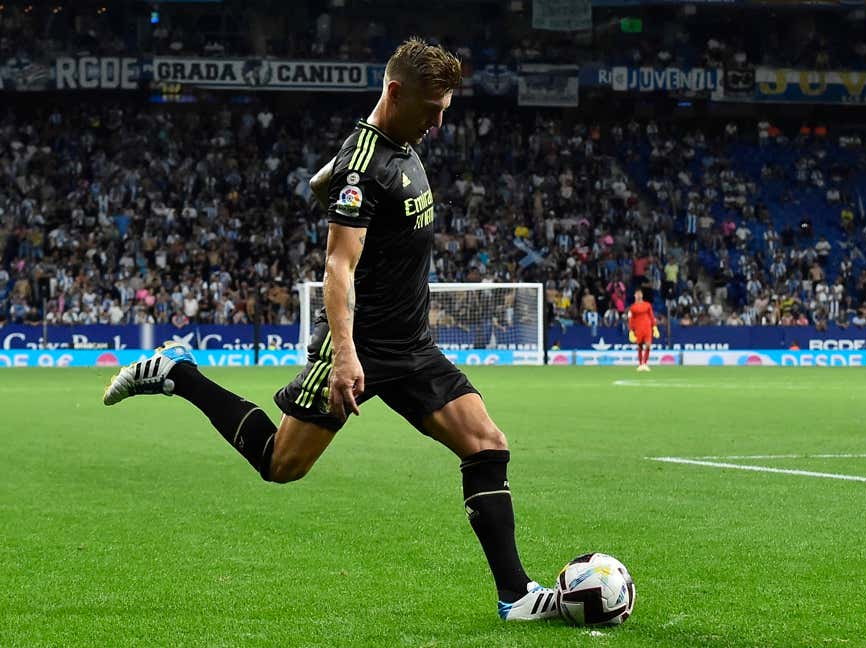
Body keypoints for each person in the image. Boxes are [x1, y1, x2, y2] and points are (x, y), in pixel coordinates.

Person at [102, 38, 558, 622]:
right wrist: (344, 356)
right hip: (359, 346)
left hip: (411, 346)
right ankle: (178, 373)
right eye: (432, 107)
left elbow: (362, 209)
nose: (441, 121)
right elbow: (337, 267)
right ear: (394, 92)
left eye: (446, 107)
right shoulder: (361, 166)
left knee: (487, 444)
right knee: (280, 465)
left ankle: (515, 596)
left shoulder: (396, 144)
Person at [626, 289, 659, 372]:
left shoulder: (647, 305)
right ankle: (641, 364)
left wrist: (654, 327)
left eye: (640, 294)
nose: (638, 295)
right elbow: (631, 320)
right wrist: (631, 331)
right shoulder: (632, 308)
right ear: (635, 296)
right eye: (637, 294)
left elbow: (651, 316)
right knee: (640, 346)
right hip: (638, 329)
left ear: (642, 295)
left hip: (647, 328)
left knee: (648, 345)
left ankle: (645, 363)